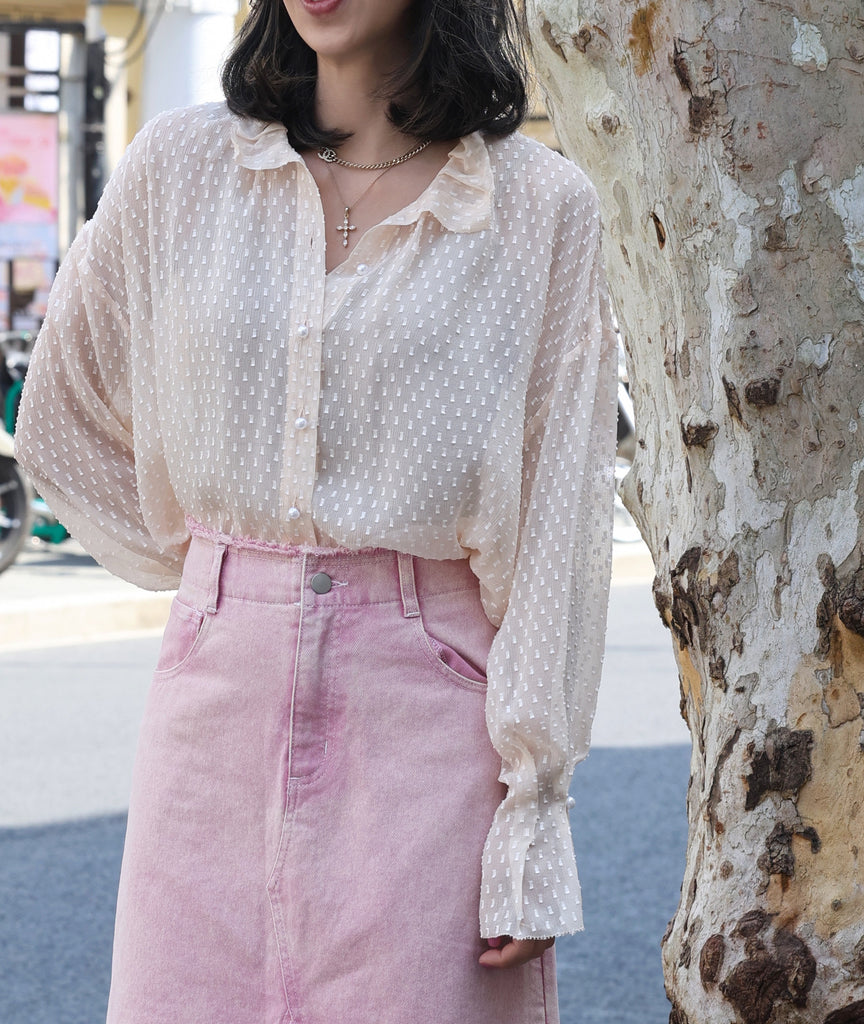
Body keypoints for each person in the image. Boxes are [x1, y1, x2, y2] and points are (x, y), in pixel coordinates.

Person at [14, 0, 618, 1020]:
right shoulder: (179, 169)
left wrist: (534, 802)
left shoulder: (536, 205)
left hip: (429, 713)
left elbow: (559, 518)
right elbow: (63, 411)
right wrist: (218, 571)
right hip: (212, 712)